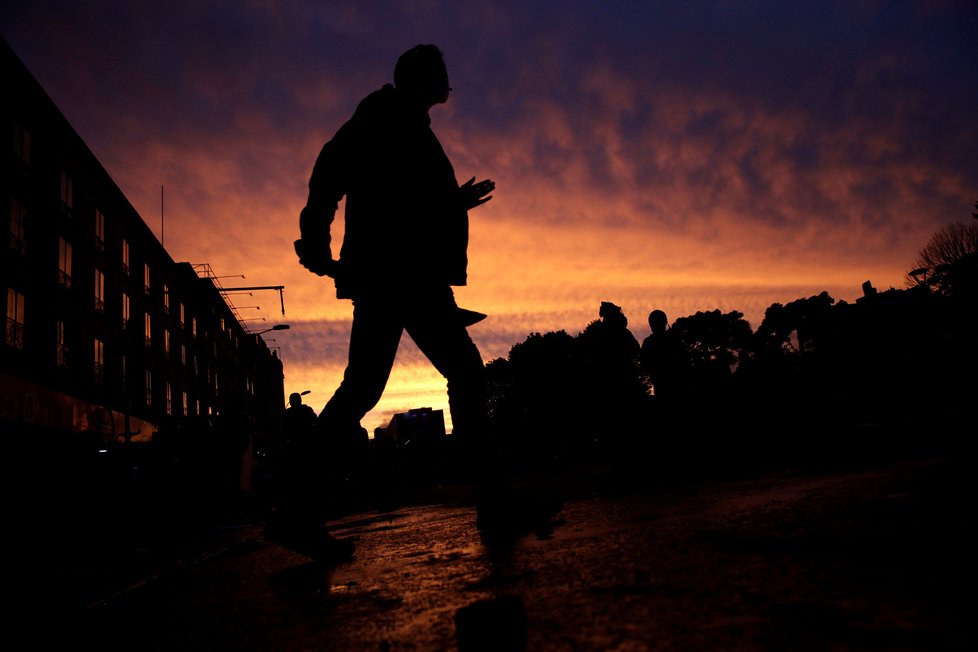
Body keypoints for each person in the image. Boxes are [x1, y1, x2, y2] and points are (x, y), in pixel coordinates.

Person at [271, 44, 558, 559]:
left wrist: (450, 203)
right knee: (454, 374)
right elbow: (334, 174)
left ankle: (296, 510)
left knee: (367, 388)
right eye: (440, 73)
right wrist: (314, 239)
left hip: (402, 274)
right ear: (423, 79)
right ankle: (493, 503)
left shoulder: (405, 123)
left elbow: (399, 198)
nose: (448, 80)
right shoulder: (383, 117)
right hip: (398, 275)